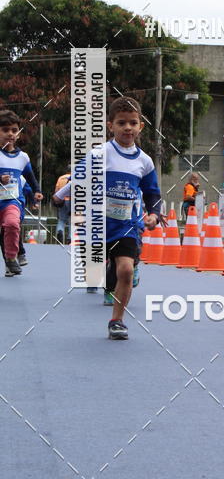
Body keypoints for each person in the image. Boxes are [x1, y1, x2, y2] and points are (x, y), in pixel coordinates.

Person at [53, 96, 162, 340]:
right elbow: (79, 177)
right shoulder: (100, 153)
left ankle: (117, 321)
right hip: (98, 225)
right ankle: (108, 277)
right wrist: (59, 196)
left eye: (133, 123)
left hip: (127, 226)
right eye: (121, 123)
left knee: (125, 270)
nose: (128, 128)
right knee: (101, 267)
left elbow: (152, 192)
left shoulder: (144, 161)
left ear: (141, 126)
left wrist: (154, 213)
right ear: (110, 125)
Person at [0, 110, 44, 277]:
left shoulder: (23, 157)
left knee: (12, 224)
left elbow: (30, 178)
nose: (10, 134)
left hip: (11, 202)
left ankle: (11, 258)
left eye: (14, 130)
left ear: (18, 133)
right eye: (5, 130)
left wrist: (37, 191)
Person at [54, 167, 71, 243]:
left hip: (62, 201)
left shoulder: (61, 178)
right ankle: (70, 238)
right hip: (72, 201)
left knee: (61, 220)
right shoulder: (75, 178)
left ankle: (60, 230)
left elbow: (56, 191)